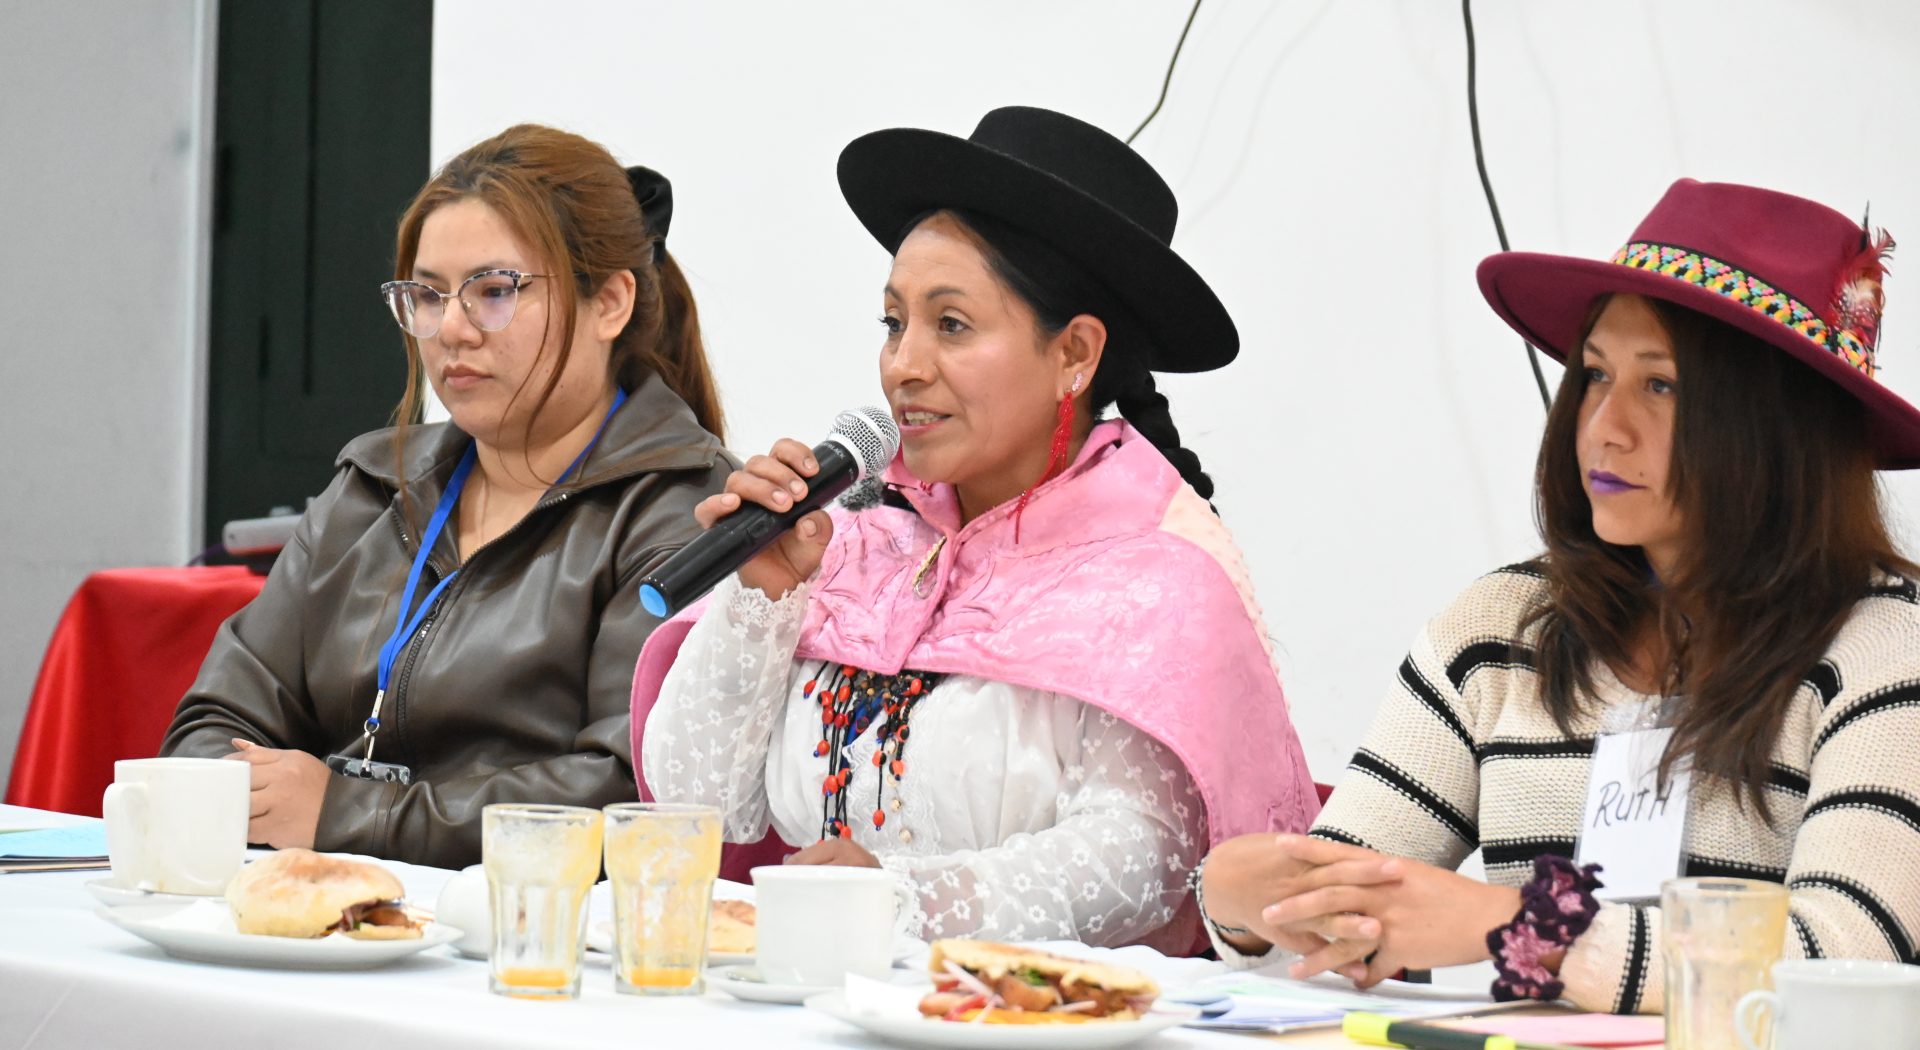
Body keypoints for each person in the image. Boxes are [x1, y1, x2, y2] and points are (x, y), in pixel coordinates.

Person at [1194, 179, 1920, 1012]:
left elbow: (1843, 962)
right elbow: (1343, 902)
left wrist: (1526, 928)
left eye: (1662, 385)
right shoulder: (1499, 630)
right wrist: (1240, 901)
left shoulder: (1884, 650)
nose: (1603, 425)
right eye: (1595, 373)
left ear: (1780, 425)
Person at [632, 107, 1318, 953]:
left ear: (1075, 354)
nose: (903, 365)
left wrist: (899, 902)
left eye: (950, 325)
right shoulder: (856, 539)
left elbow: (1137, 863)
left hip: (1044, 1010)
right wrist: (761, 600)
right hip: (817, 996)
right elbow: (697, 809)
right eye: (894, 323)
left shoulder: (1158, 577)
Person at [163, 124, 733, 868]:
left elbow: (627, 790)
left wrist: (348, 814)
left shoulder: (688, 508)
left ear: (609, 303)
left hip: (539, 928)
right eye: (428, 296)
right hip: (325, 907)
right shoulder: (371, 487)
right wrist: (250, 793)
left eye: (494, 292)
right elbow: (212, 723)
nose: (451, 330)